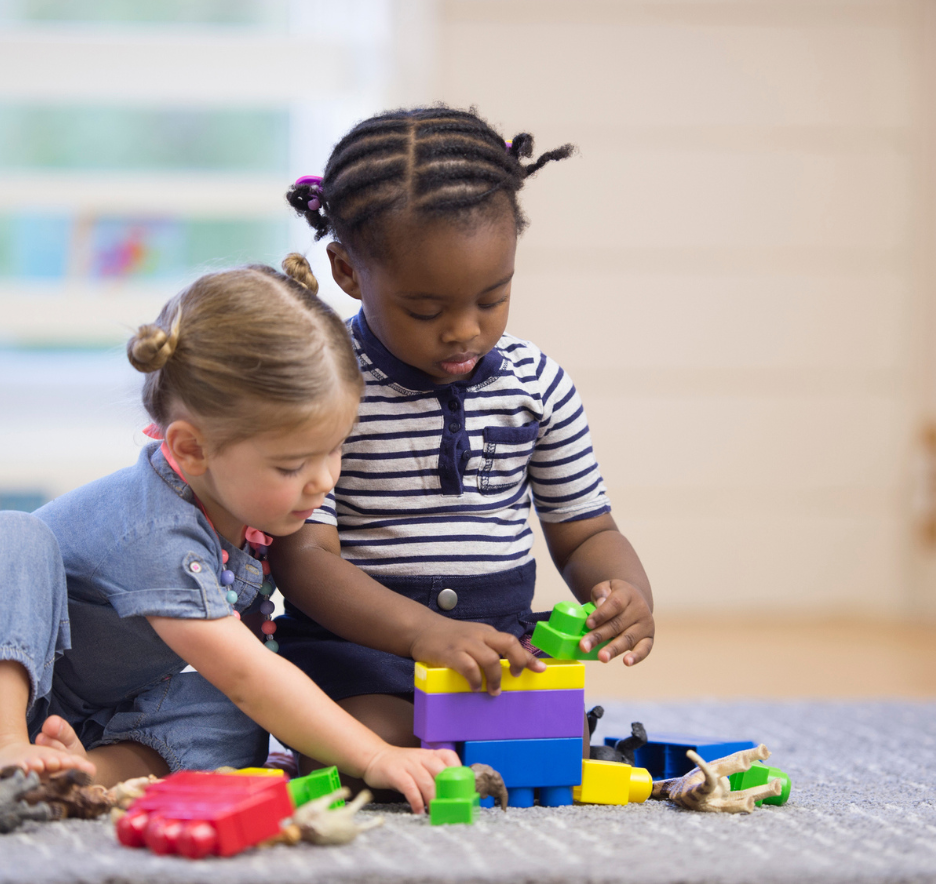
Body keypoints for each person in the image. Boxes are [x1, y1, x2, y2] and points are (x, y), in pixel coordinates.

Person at [0, 255, 458, 812]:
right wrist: (374, 754)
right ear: (191, 449)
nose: (322, 481)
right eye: (291, 466)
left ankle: (77, 774)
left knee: (235, 721)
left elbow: (245, 681)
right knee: (9, 536)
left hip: (77, 708)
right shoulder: (157, 529)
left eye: (334, 451)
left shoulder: (244, 514)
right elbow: (252, 673)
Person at [272, 107, 655, 769]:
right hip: (364, 654)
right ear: (348, 272)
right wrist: (424, 635)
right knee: (370, 736)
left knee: (553, 743)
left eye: (492, 297)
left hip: (493, 651)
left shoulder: (538, 386)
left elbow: (586, 532)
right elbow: (303, 558)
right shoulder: (328, 391)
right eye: (425, 310)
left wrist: (623, 590)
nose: (464, 331)